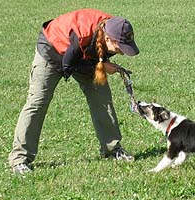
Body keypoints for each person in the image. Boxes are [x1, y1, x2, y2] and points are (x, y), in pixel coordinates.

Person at [8, 8, 139, 174]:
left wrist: (102, 62)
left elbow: (95, 50)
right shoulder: (83, 35)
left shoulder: (114, 26)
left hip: (82, 56)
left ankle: (112, 149)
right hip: (53, 51)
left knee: (102, 98)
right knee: (37, 102)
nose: (122, 51)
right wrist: (101, 65)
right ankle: (19, 159)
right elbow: (67, 66)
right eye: (120, 47)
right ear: (108, 38)